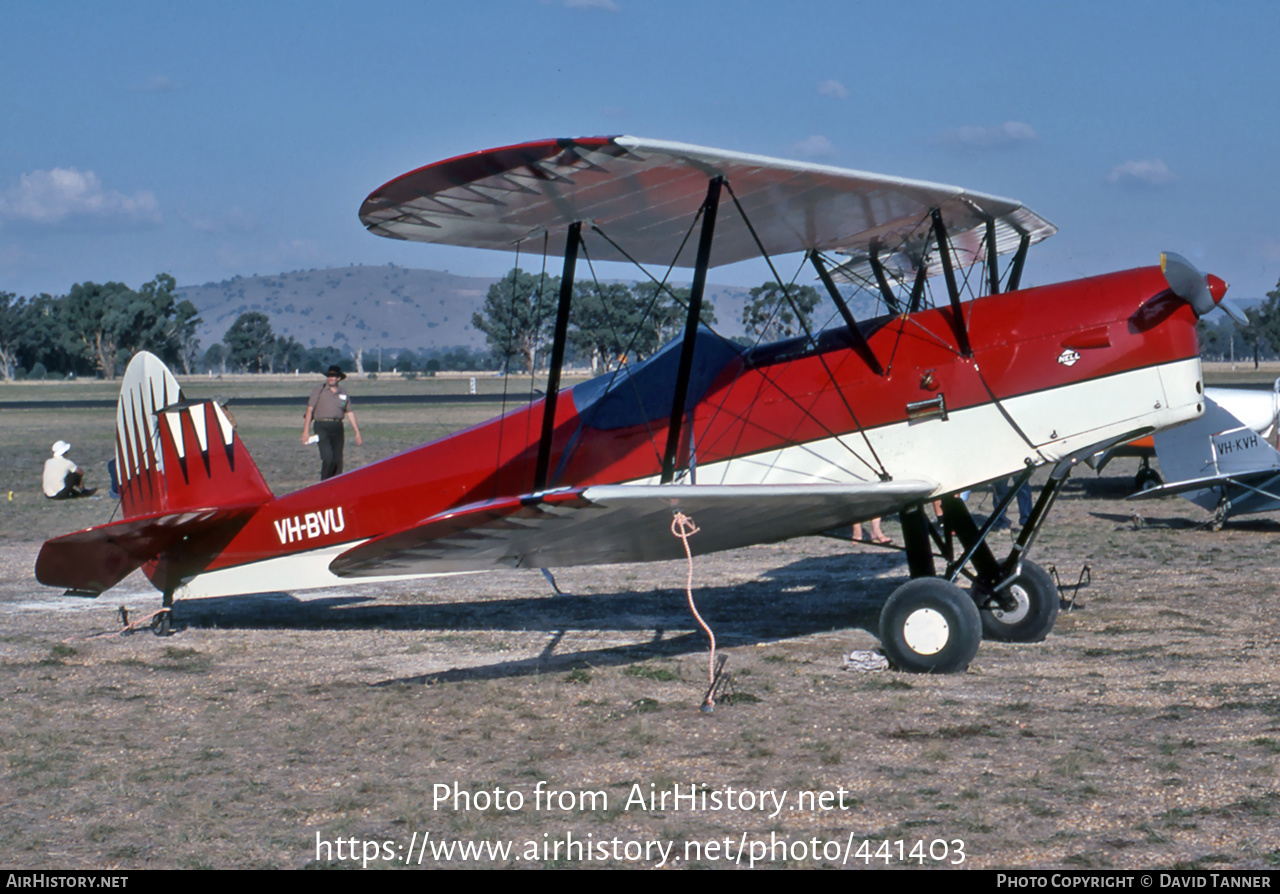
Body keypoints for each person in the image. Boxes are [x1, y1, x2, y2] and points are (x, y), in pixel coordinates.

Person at [302, 365, 362, 480]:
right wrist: (306, 432)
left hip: (337, 427)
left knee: (338, 460)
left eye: (333, 376)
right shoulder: (319, 390)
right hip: (322, 426)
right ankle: (323, 485)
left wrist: (357, 433)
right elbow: (309, 410)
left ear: (338, 378)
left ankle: (336, 487)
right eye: (329, 376)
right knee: (328, 458)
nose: (330, 378)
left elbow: (349, 412)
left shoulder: (343, 392)